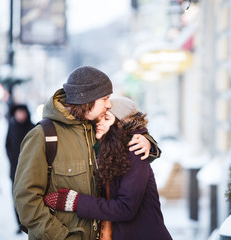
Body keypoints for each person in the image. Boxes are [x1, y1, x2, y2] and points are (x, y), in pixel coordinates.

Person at [13, 66, 160, 240]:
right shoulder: (43, 135)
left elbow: (125, 130)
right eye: (104, 98)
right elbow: (27, 202)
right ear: (87, 99)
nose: (109, 104)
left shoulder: (94, 129)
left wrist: (147, 141)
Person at [44, 96, 172, 240]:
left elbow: (126, 208)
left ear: (120, 124)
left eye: (106, 119)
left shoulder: (134, 150)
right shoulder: (105, 150)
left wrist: (75, 202)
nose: (99, 123)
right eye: (98, 118)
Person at [5, 104, 35, 234]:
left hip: (31, 171)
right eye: (18, 113)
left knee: (31, 198)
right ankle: (19, 223)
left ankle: (30, 223)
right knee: (16, 198)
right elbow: (7, 145)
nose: (20, 115)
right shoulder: (12, 127)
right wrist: (12, 159)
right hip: (15, 170)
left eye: (23, 113)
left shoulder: (33, 128)